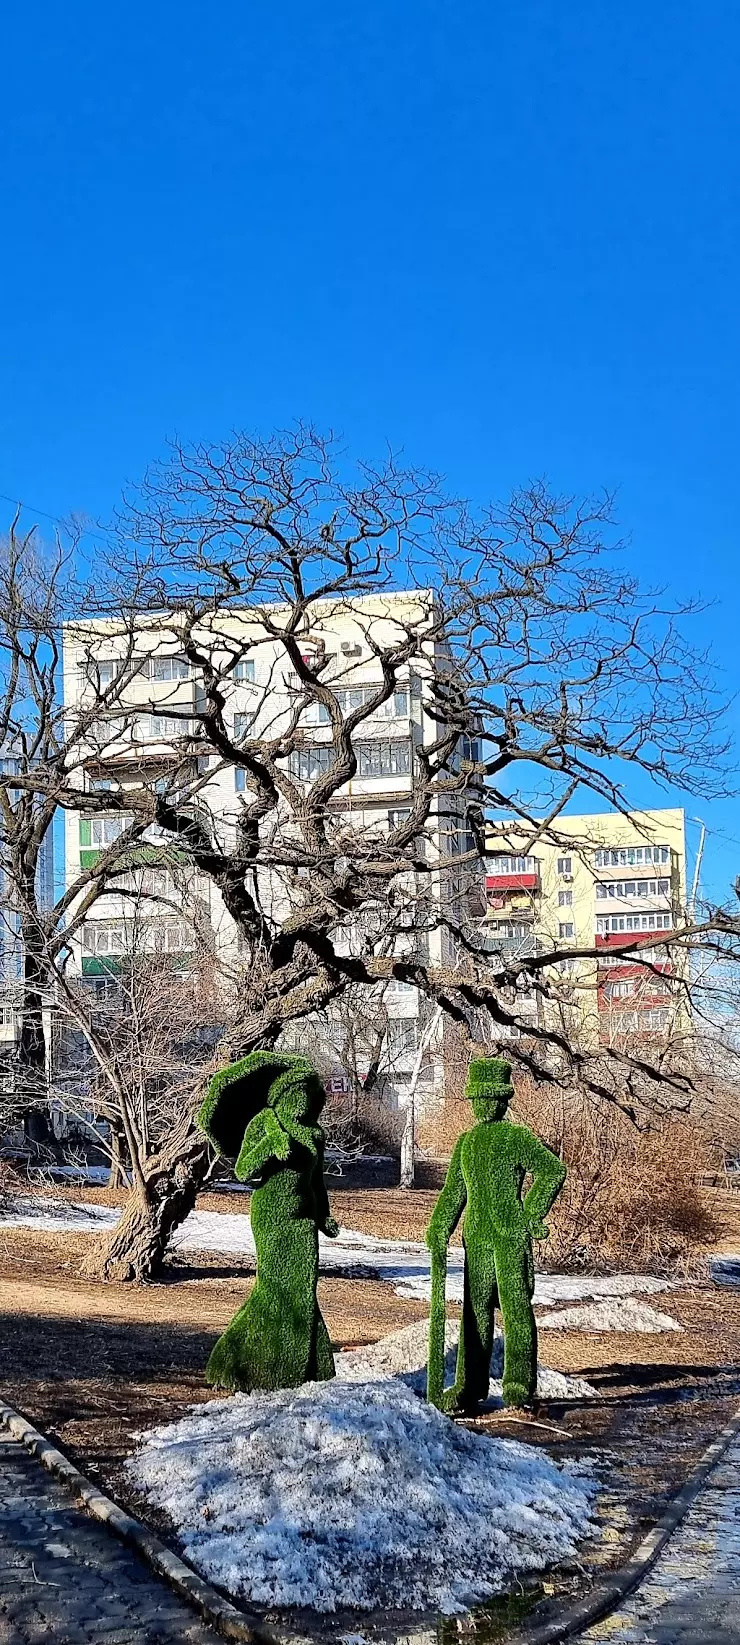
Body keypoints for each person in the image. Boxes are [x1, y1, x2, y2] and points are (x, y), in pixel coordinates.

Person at [426, 1056, 566, 1413]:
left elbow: (552, 1170)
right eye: (478, 1098)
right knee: (475, 1313)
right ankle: (470, 1385)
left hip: (509, 1237)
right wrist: (439, 1227)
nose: (484, 1105)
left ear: (504, 1100)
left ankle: (519, 1385)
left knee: (516, 1308)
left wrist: (529, 1215)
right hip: (476, 1240)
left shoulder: (517, 1137)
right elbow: (454, 1193)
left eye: (491, 1098)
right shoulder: (466, 1143)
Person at [198, 1050, 339, 1393]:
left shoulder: (314, 1135)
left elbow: (316, 1182)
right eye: (297, 1094)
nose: (303, 1101)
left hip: (303, 1220)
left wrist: (325, 1216)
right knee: (275, 1287)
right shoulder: (265, 1124)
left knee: (304, 1288)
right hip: (271, 1217)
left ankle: (312, 1367)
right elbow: (243, 1171)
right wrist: (270, 1148)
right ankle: (235, 1364)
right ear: (283, 1097)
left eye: (308, 1094)